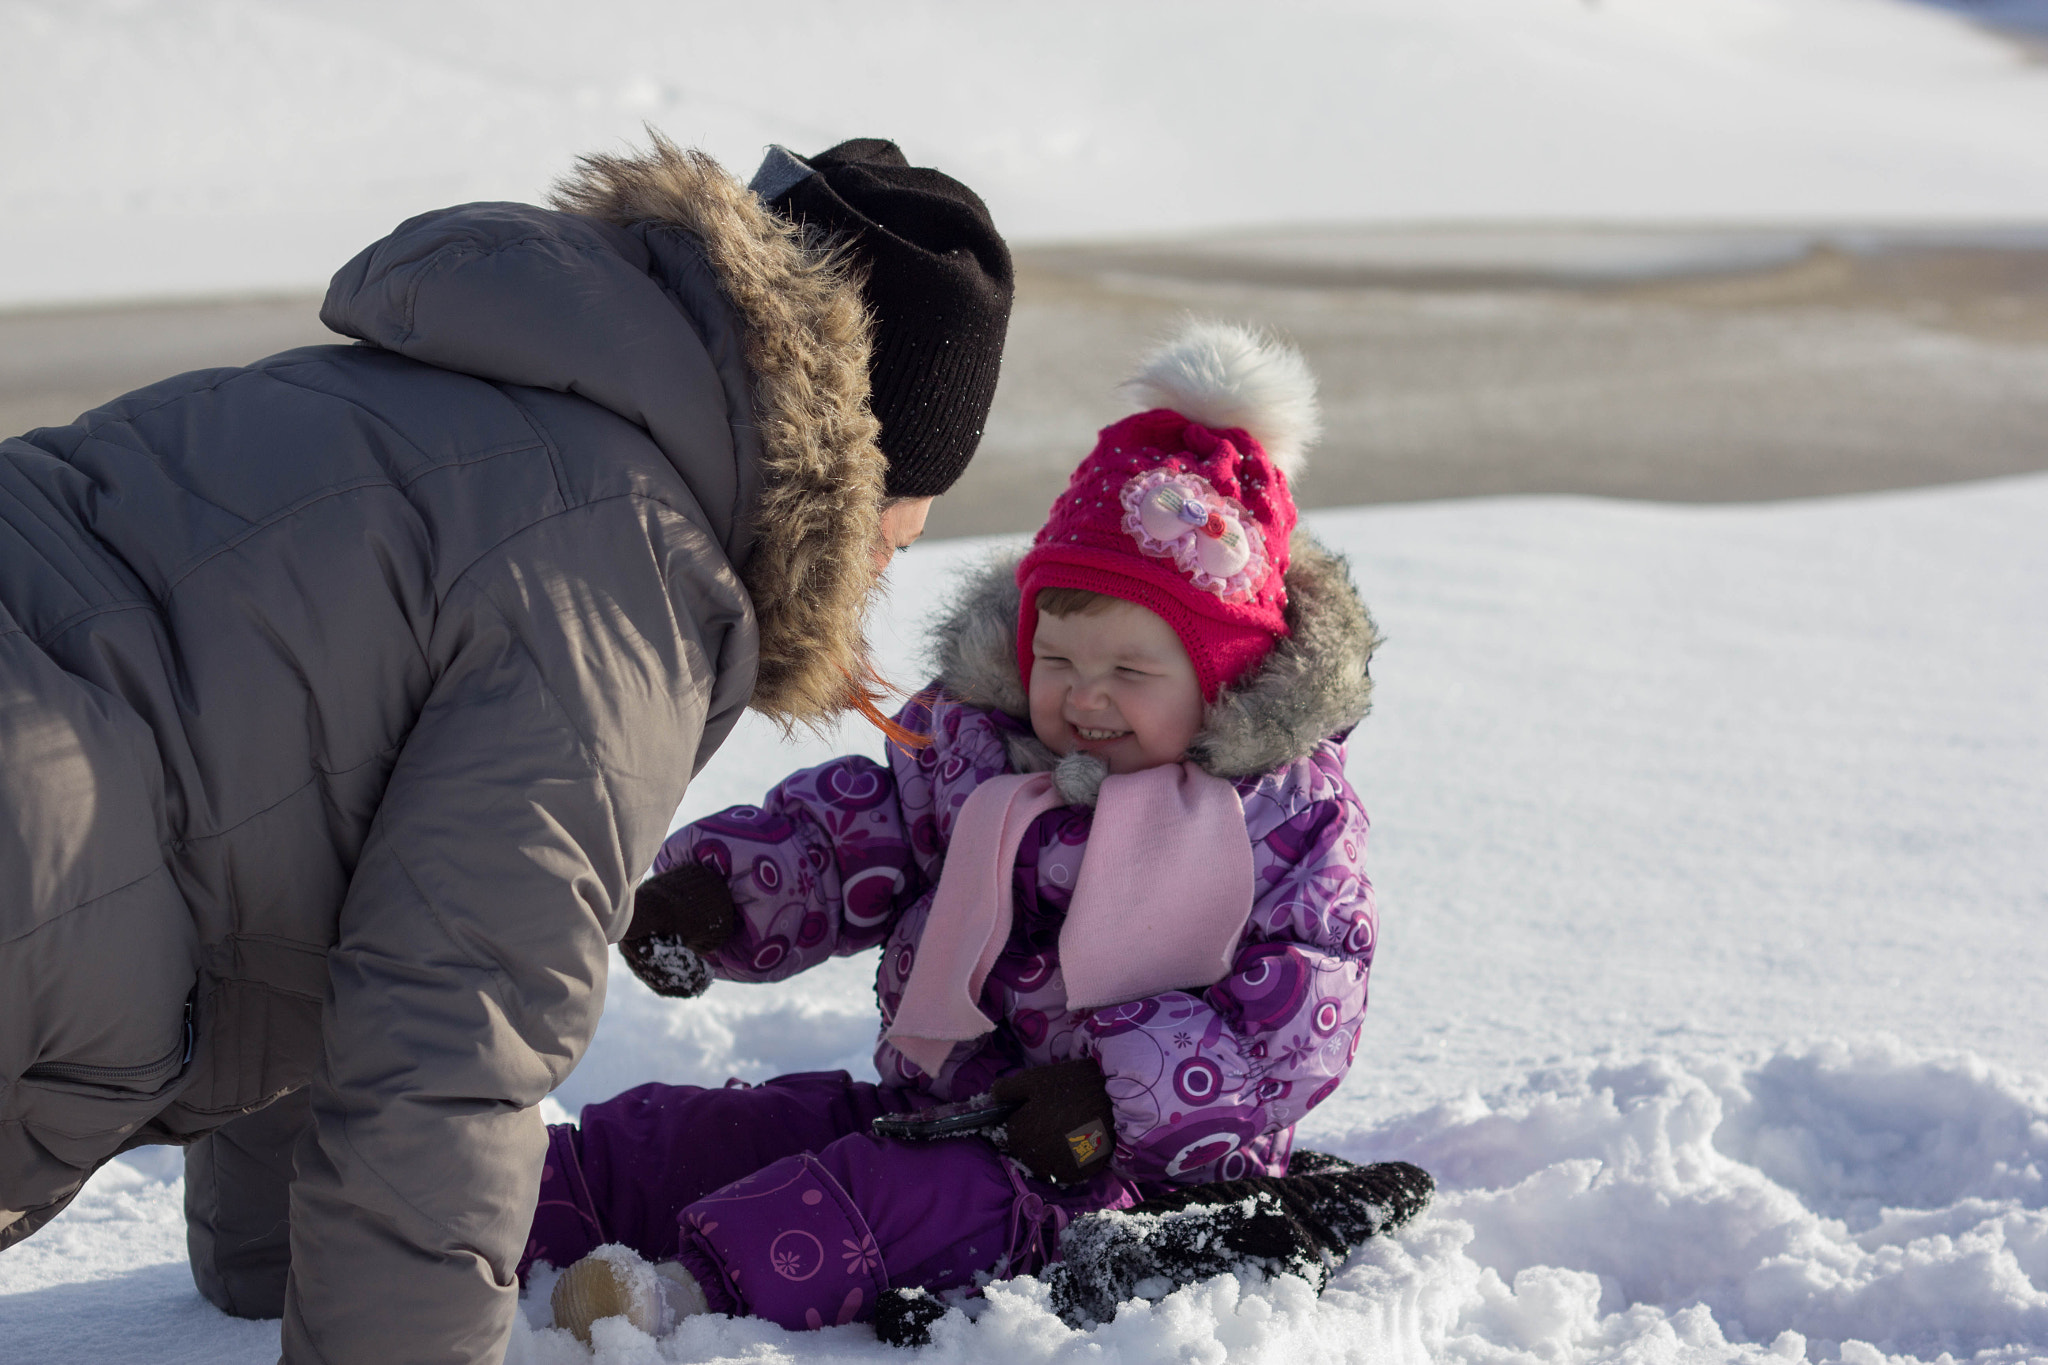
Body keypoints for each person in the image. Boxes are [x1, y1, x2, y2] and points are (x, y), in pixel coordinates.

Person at [0, 134, 1012, 1364]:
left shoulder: (440, 393)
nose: (889, 572)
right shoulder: (623, 587)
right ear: (859, 475)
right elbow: (448, 1037)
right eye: (903, 535)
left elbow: (292, 840)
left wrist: (266, 1267)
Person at [528, 321, 1390, 1339]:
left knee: (894, 1203)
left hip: (1106, 1175)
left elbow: (1294, 1024)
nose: (1084, 698)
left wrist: (1114, 1097)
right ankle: (518, 1201)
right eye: (1057, 660)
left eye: (1131, 673)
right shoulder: (982, 753)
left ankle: (678, 1301)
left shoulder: (1279, 823)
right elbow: (859, 833)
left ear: (1220, 679)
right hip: (935, 1104)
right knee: (710, 1134)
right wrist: (721, 891)